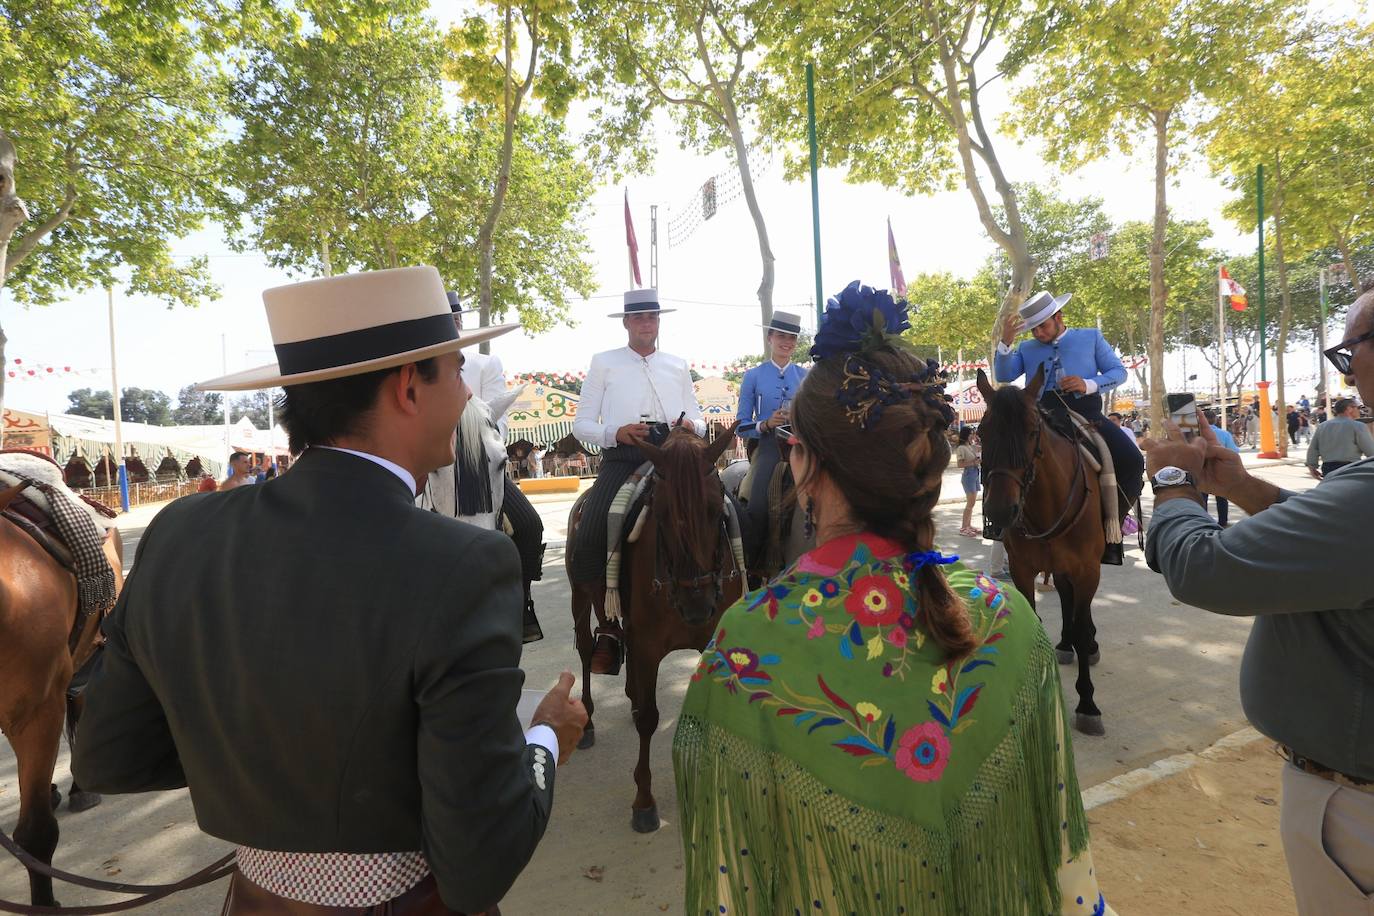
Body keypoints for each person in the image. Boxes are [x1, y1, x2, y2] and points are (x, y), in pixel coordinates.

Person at [73, 266, 587, 915]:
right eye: (455, 371)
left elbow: (108, 757)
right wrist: (544, 738)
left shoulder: (180, 531)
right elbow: (479, 866)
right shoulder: (463, 562)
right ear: (408, 387)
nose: (464, 395)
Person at [674, 282, 1114, 916]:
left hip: (1059, 419)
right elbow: (1071, 879)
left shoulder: (739, 648)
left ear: (808, 463)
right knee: (746, 504)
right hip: (668, 448)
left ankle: (1115, 522)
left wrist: (1082, 390)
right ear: (930, 462)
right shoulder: (1009, 615)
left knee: (1111, 457)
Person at [1140, 286, 1374, 915]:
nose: (1347, 366)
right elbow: (1332, 537)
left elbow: (1203, 569)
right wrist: (1238, 485)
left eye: (1349, 351)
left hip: (1354, 803)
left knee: (1105, 456)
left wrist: (1170, 481)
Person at [571, 288, 706, 673]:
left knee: (723, 510)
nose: (647, 323)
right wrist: (616, 432)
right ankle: (609, 627)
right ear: (627, 323)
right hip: (624, 455)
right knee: (593, 531)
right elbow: (582, 424)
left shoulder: (677, 364)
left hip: (674, 455)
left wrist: (688, 425)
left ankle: (729, 596)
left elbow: (699, 419)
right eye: (640, 317)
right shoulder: (604, 363)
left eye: (653, 317)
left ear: (658, 322)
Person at [422, 290, 545, 644]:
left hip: (481, 463)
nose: (454, 323)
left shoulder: (485, 364)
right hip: (431, 461)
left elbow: (498, 419)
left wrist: (476, 436)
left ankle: (521, 607)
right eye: (446, 318)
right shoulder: (416, 364)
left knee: (529, 525)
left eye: (456, 317)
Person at [993, 289, 1145, 563]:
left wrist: (1087, 384)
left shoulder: (1090, 337)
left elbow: (1118, 372)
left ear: (1058, 316)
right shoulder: (1026, 348)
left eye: (1043, 326)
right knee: (1001, 457)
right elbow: (1004, 374)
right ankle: (999, 525)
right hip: (1041, 415)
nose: (1038, 333)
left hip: (1086, 414)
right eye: (1033, 329)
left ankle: (1110, 526)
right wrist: (1005, 342)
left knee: (1132, 460)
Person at [735, 310, 808, 563]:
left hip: (803, 446)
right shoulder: (752, 376)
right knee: (757, 505)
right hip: (767, 446)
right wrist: (765, 423)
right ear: (770, 338)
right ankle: (753, 562)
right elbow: (740, 426)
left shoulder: (806, 376)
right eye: (781, 336)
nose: (786, 342)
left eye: (792, 337)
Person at [1306, 396, 1374, 479]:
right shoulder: (1358, 426)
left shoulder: (1322, 426)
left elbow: (1313, 448)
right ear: (1349, 409)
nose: (1359, 410)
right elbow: (1370, 450)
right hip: (1350, 468)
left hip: (1328, 468)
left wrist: (1312, 466)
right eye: (1357, 407)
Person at [1200, 409, 1239, 526]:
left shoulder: (1196, 435)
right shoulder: (1224, 434)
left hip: (1202, 469)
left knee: (1202, 497)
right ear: (1215, 419)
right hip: (1220, 469)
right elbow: (1234, 451)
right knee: (1221, 497)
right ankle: (1223, 521)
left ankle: (1203, 521)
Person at [955, 425, 981, 537]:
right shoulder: (961, 448)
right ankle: (964, 528)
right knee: (970, 503)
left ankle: (968, 525)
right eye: (971, 433)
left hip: (975, 474)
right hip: (968, 475)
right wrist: (974, 462)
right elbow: (960, 464)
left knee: (973, 502)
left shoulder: (969, 446)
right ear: (966, 435)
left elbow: (979, 448)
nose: (972, 436)